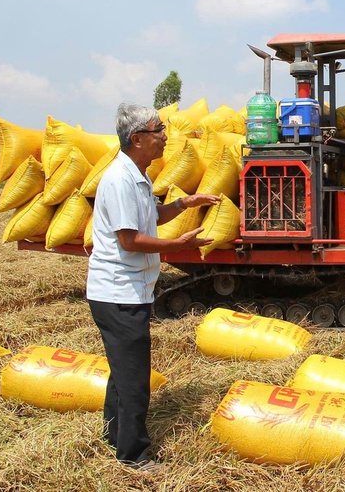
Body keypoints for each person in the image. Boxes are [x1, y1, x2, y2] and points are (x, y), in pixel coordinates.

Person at [87, 102, 220, 471]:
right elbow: (130, 239)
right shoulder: (120, 179)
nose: (164, 136)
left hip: (130, 290)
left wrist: (183, 203)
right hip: (118, 292)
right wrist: (178, 246)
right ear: (137, 139)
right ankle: (134, 456)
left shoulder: (138, 175)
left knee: (123, 371)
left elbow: (151, 216)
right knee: (134, 379)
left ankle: (114, 434)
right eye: (157, 130)